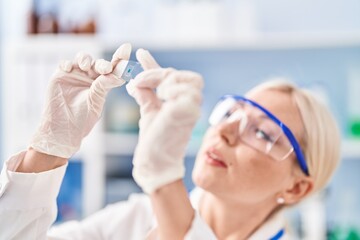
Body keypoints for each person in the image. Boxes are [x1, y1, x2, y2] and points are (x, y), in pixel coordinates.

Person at [0, 43, 341, 240]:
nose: (225, 132)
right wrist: (49, 147)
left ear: (297, 189)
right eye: (230, 113)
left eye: (263, 133)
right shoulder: (133, 218)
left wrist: (164, 182)